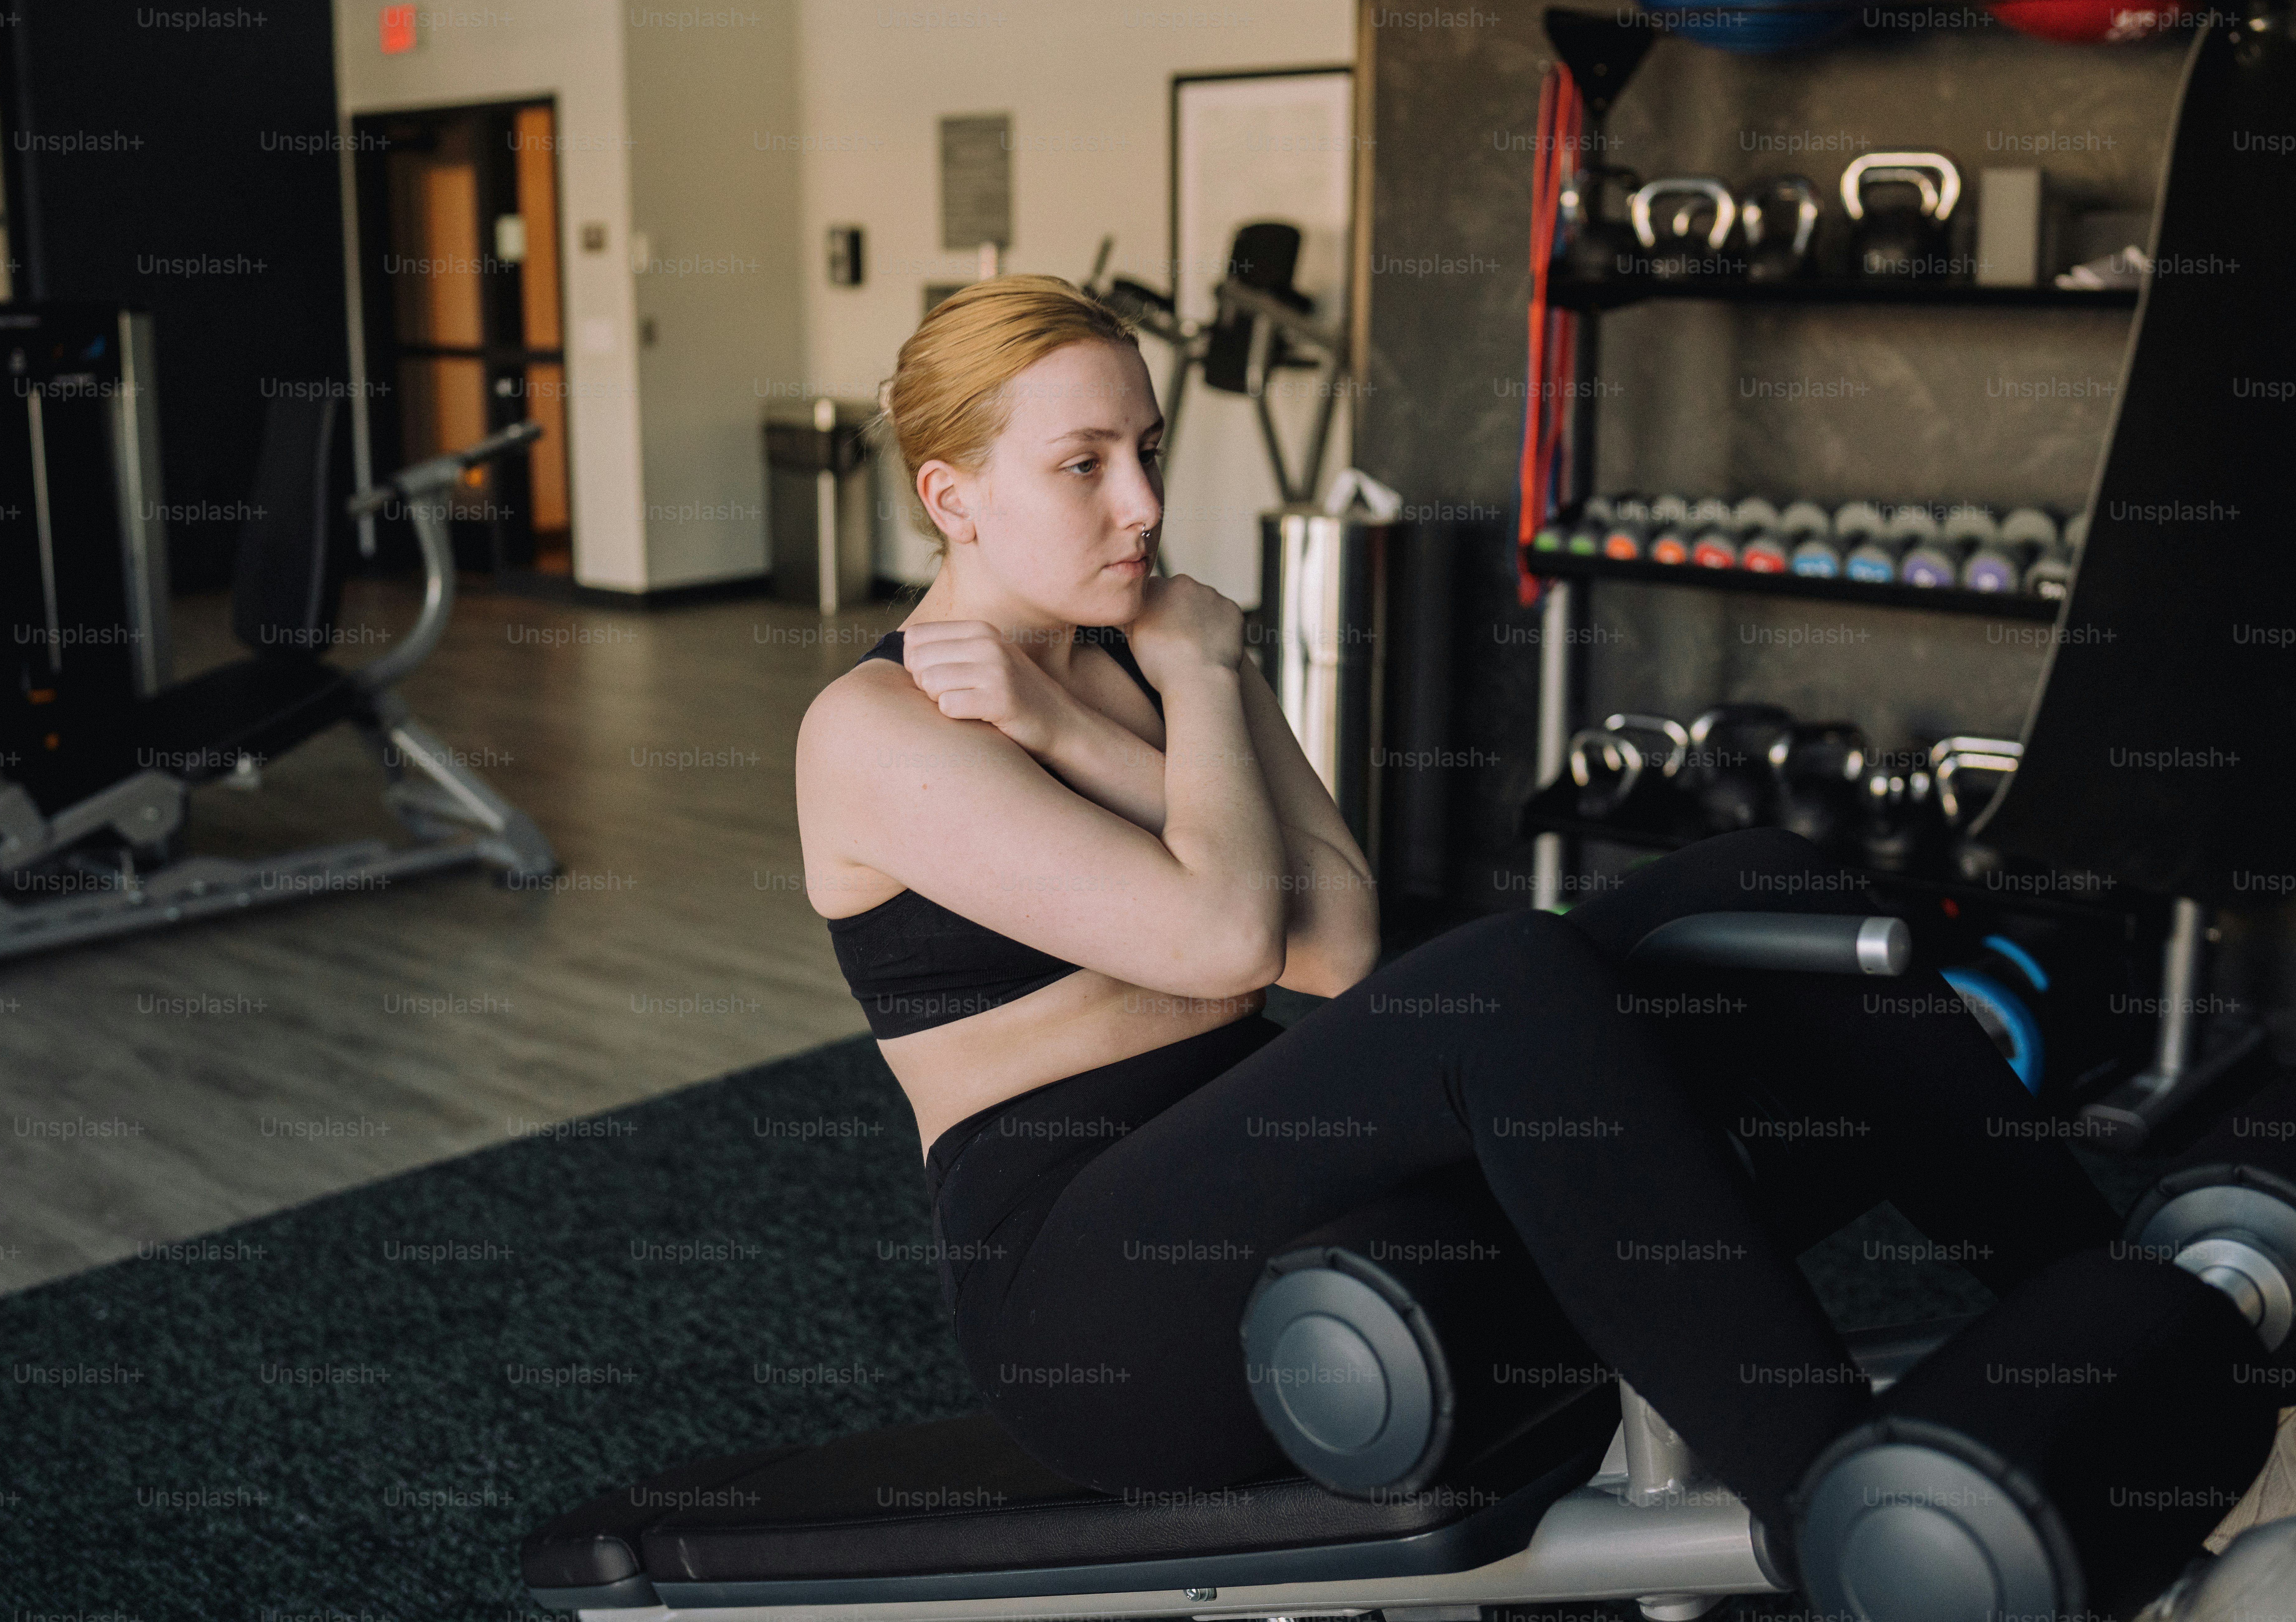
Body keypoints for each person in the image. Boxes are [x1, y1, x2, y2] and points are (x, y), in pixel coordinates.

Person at [792, 274, 2118, 1585]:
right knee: (1501, 981)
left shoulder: (1140, 644)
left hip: (1282, 1158)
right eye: (1080, 465)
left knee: (1757, 878)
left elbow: (1338, 943)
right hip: (1090, 1299)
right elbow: (1225, 942)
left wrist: (1084, 725)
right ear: (949, 497)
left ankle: (2114, 1311)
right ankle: (1840, 1516)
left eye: (1144, 452)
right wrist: (1195, 678)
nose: (1140, 505)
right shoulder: (882, 727)